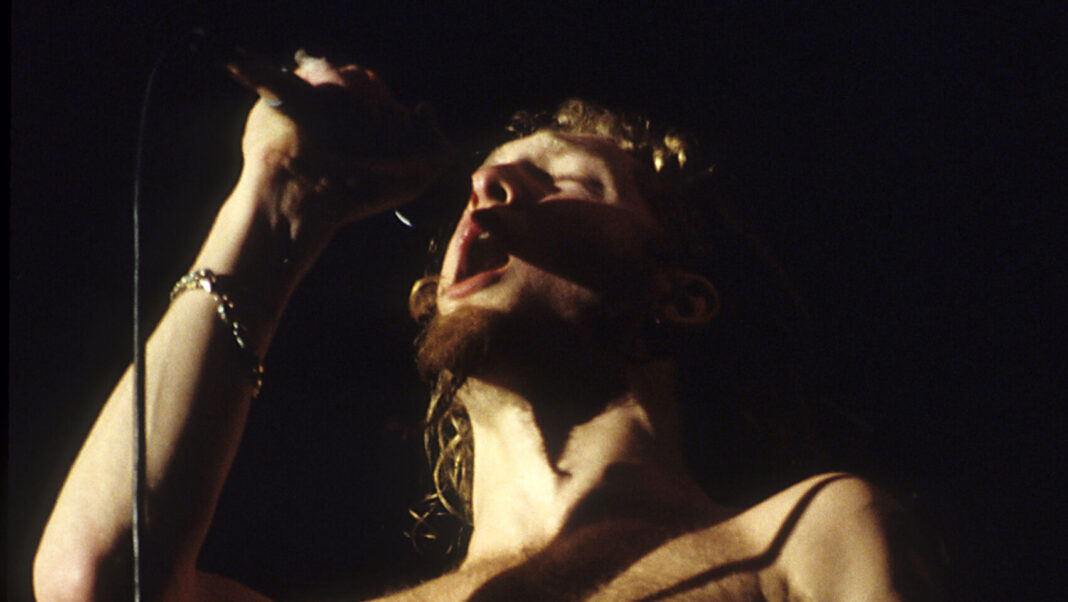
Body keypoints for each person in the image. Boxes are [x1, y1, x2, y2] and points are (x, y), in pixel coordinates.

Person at [34, 52, 938, 601]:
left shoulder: (806, 536)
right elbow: (102, 581)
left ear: (679, 297)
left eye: (567, 183)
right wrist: (277, 198)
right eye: (487, 182)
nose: (490, 192)